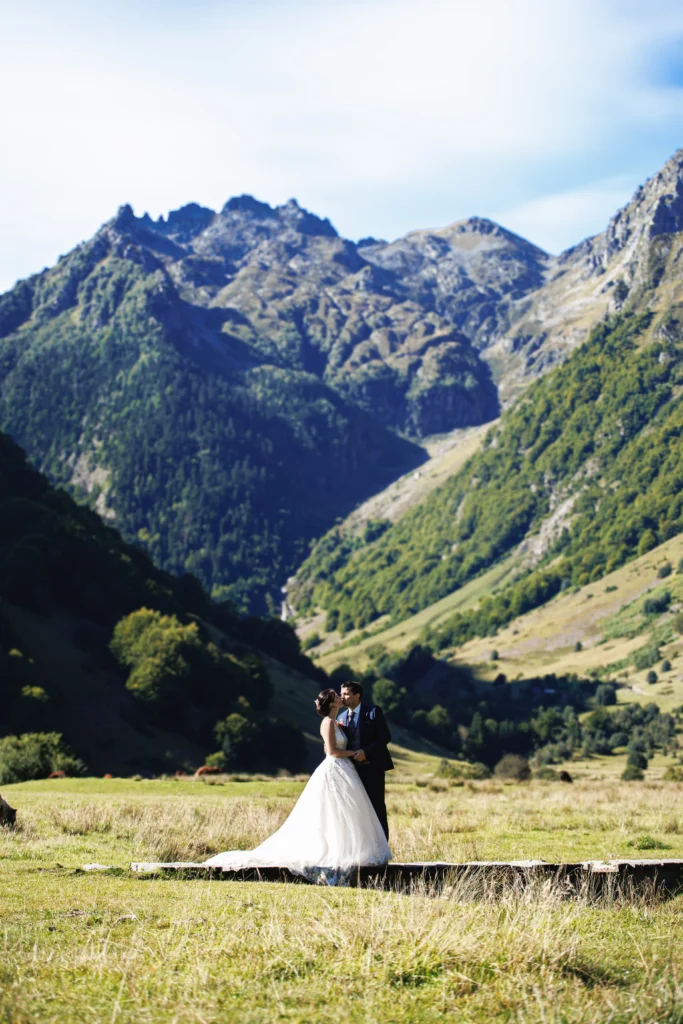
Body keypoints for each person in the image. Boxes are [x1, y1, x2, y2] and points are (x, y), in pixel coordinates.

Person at [204, 688, 391, 880]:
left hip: (345, 770)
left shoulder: (338, 721)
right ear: (332, 703)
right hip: (336, 768)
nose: (340, 697)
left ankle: (352, 849)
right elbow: (333, 751)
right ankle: (337, 851)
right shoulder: (327, 723)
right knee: (334, 811)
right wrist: (354, 753)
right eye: (336, 696)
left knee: (347, 812)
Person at [338, 681, 393, 839]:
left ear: (357, 695)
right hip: (352, 771)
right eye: (341, 694)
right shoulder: (341, 717)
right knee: (356, 810)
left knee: (377, 808)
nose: (343, 697)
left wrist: (366, 752)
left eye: (346, 694)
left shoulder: (373, 712)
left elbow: (385, 737)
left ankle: (382, 851)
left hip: (373, 768)